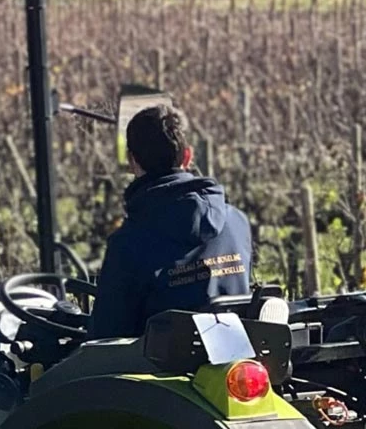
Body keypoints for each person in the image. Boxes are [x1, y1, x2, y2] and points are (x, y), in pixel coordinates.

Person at [90, 104, 254, 339]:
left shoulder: (127, 244)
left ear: (132, 161)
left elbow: (105, 337)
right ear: (188, 156)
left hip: (155, 362)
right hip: (235, 355)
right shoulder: (237, 222)